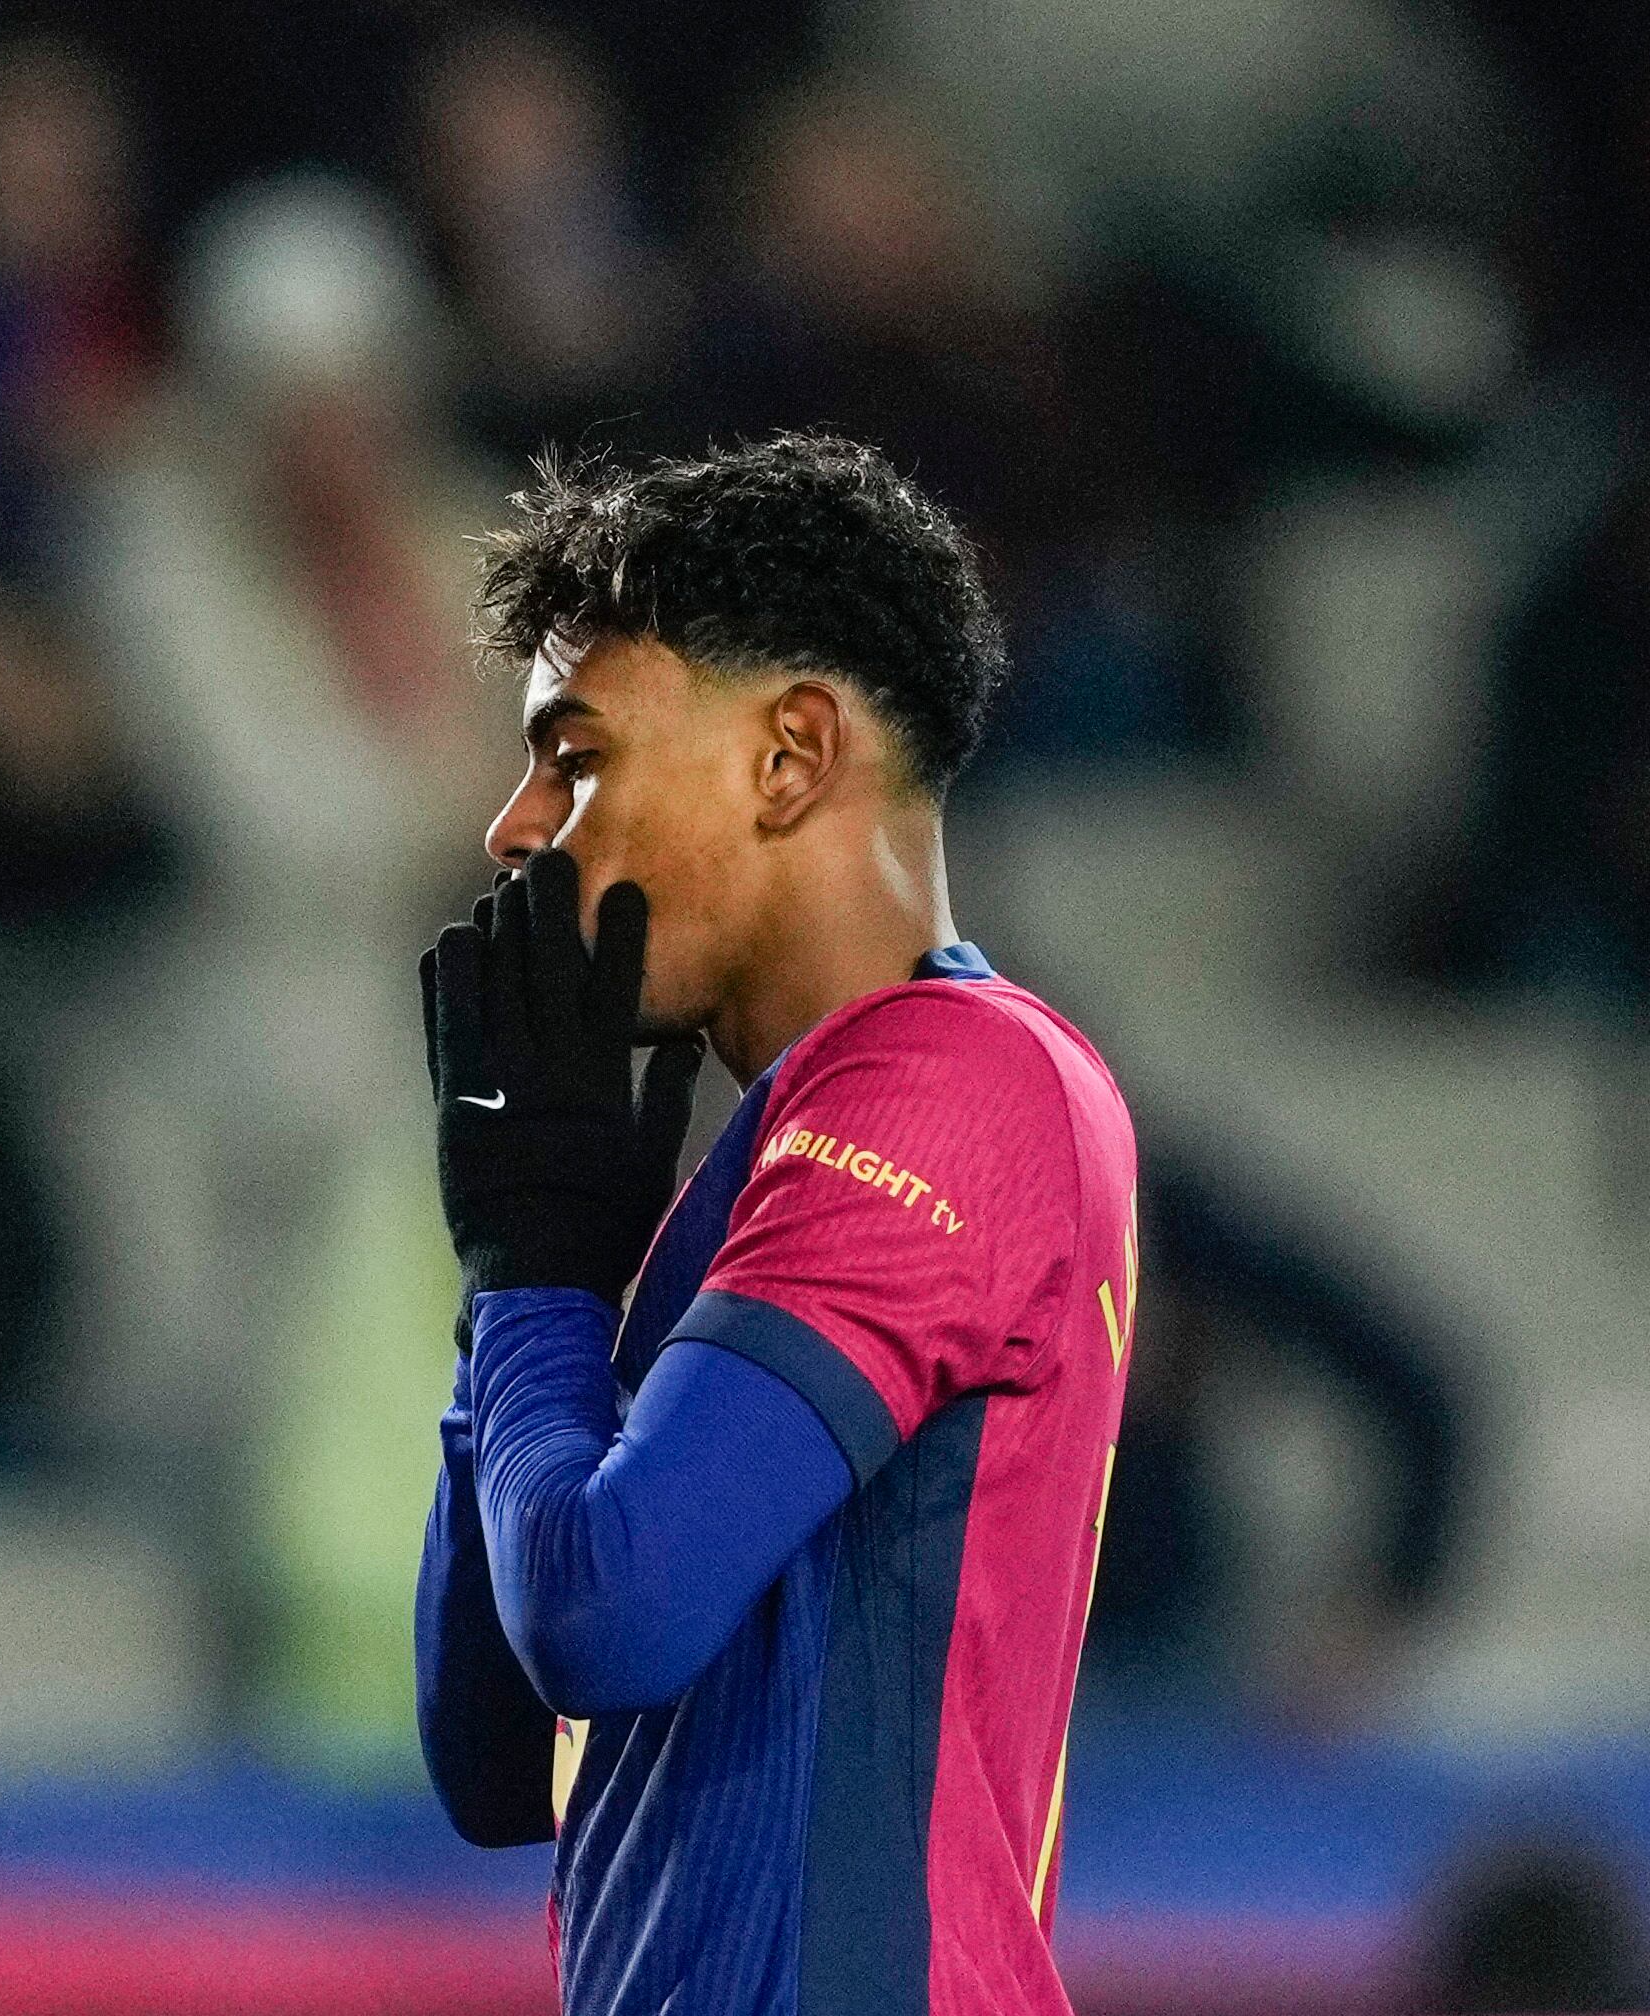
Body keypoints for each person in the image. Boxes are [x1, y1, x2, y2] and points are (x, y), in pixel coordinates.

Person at [412, 436, 1140, 2015]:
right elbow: (490, 1755)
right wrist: (523, 1279)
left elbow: (606, 1611)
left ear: (791, 754)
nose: (516, 826)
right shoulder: (756, 1171)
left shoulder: (958, 1083)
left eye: (578, 755)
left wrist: (538, 1278)